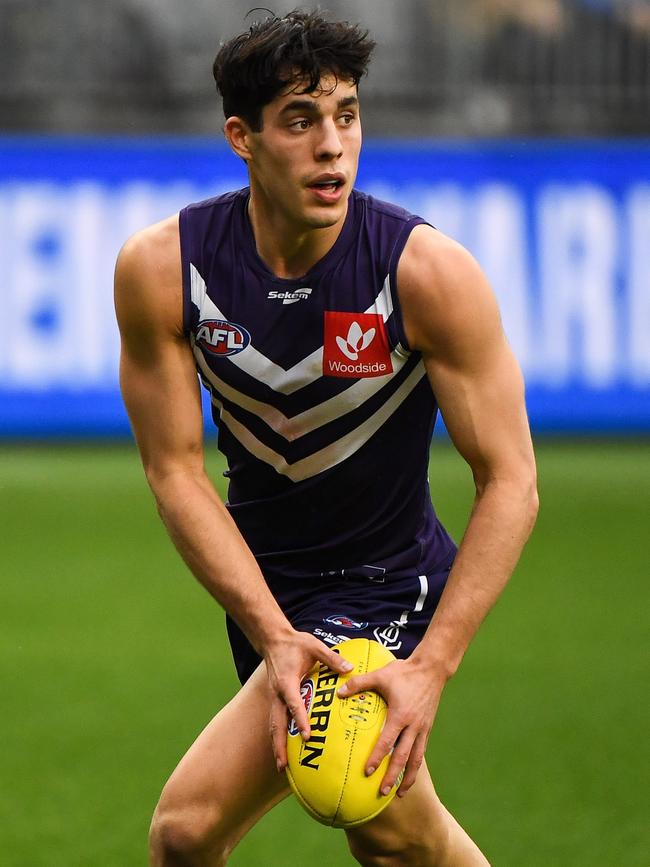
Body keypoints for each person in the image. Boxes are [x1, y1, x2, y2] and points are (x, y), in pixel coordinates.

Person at [114, 9, 538, 866]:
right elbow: (175, 471)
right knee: (393, 837)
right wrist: (270, 630)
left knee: (186, 831)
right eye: (301, 121)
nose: (332, 146)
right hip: (272, 597)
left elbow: (511, 480)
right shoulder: (164, 272)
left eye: (346, 114)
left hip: (387, 590)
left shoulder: (425, 274)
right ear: (243, 136)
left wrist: (433, 666)